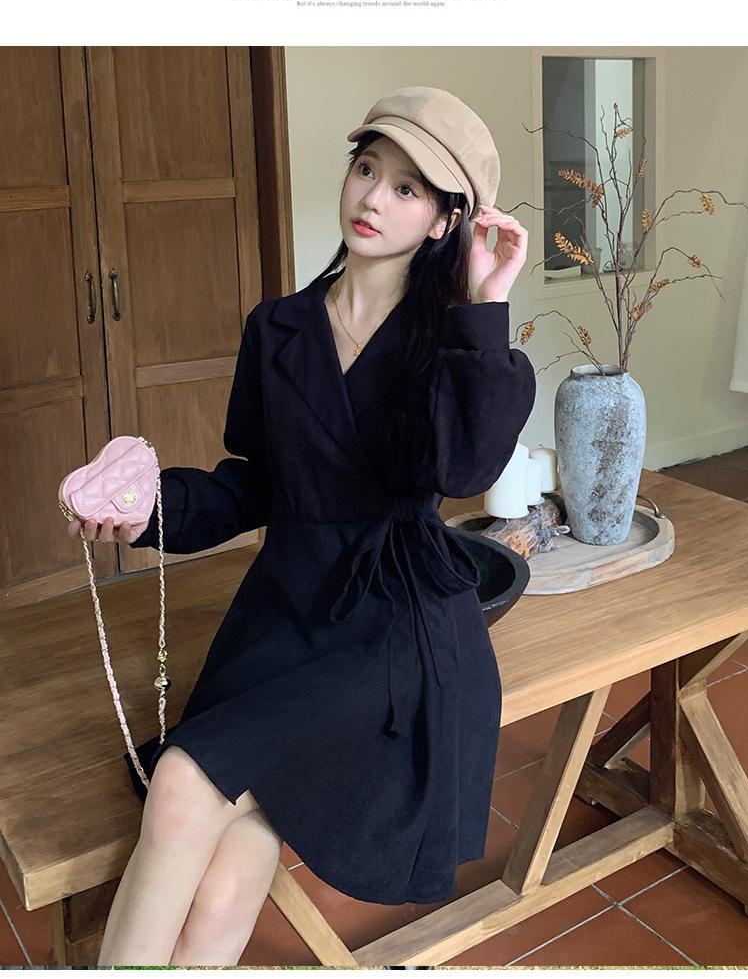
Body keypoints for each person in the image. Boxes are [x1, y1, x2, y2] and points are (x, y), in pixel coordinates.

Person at [68, 86, 536, 965]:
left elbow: (468, 471)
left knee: (183, 786)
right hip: (285, 613)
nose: (373, 197)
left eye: (408, 189)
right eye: (368, 169)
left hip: (397, 628)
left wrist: (485, 302)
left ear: (446, 222)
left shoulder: (459, 345)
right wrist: (146, 508)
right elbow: (255, 484)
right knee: (230, 862)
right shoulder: (278, 328)